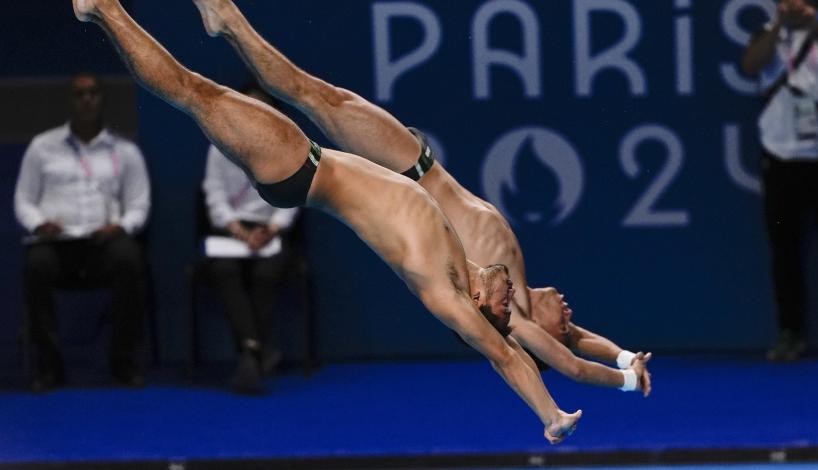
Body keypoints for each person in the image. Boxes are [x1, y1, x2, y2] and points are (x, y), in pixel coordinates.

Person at [73, 0, 580, 443]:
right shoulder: (461, 262)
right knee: (234, 92)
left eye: (502, 304)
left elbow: (505, 354)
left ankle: (104, 10)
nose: (509, 291)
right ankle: (217, 16)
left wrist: (550, 414)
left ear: (477, 308)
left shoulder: (445, 292)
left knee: (193, 92)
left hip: (298, 170)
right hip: (304, 162)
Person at [190, 0, 651, 395]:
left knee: (312, 94)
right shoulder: (521, 295)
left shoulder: (514, 320)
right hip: (415, 162)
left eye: (564, 325)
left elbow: (571, 364)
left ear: (543, 338)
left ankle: (229, 22)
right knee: (315, 94)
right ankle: (228, 24)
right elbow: (582, 344)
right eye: (571, 322)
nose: (570, 315)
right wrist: (626, 356)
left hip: (405, 171)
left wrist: (625, 384)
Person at [740, 0, 818, 361]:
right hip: (781, 156)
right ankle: (789, 333)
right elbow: (750, 64)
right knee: (784, 251)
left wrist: (815, 28)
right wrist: (780, 26)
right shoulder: (767, 33)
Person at [14, 72, 151, 390]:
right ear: (70, 101)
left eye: (93, 93)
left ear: (102, 99)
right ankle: (48, 367)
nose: (87, 99)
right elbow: (23, 200)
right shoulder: (42, 147)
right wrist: (38, 223)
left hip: (104, 243)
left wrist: (121, 226)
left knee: (130, 259)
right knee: (36, 264)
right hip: (57, 244)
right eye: (80, 94)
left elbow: (139, 205)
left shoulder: (124, 151)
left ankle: (123, 363)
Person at [201, 83, 299, 392]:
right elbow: (214, 195)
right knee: (223, 269)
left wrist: (270, 230)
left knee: (267, 273)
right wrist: (241, 233)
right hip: (233, 232)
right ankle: (256, 350)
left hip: (270, 232)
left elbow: (295, 195)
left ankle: (249, 351)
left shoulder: (286, 147)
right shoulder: (218, 144)